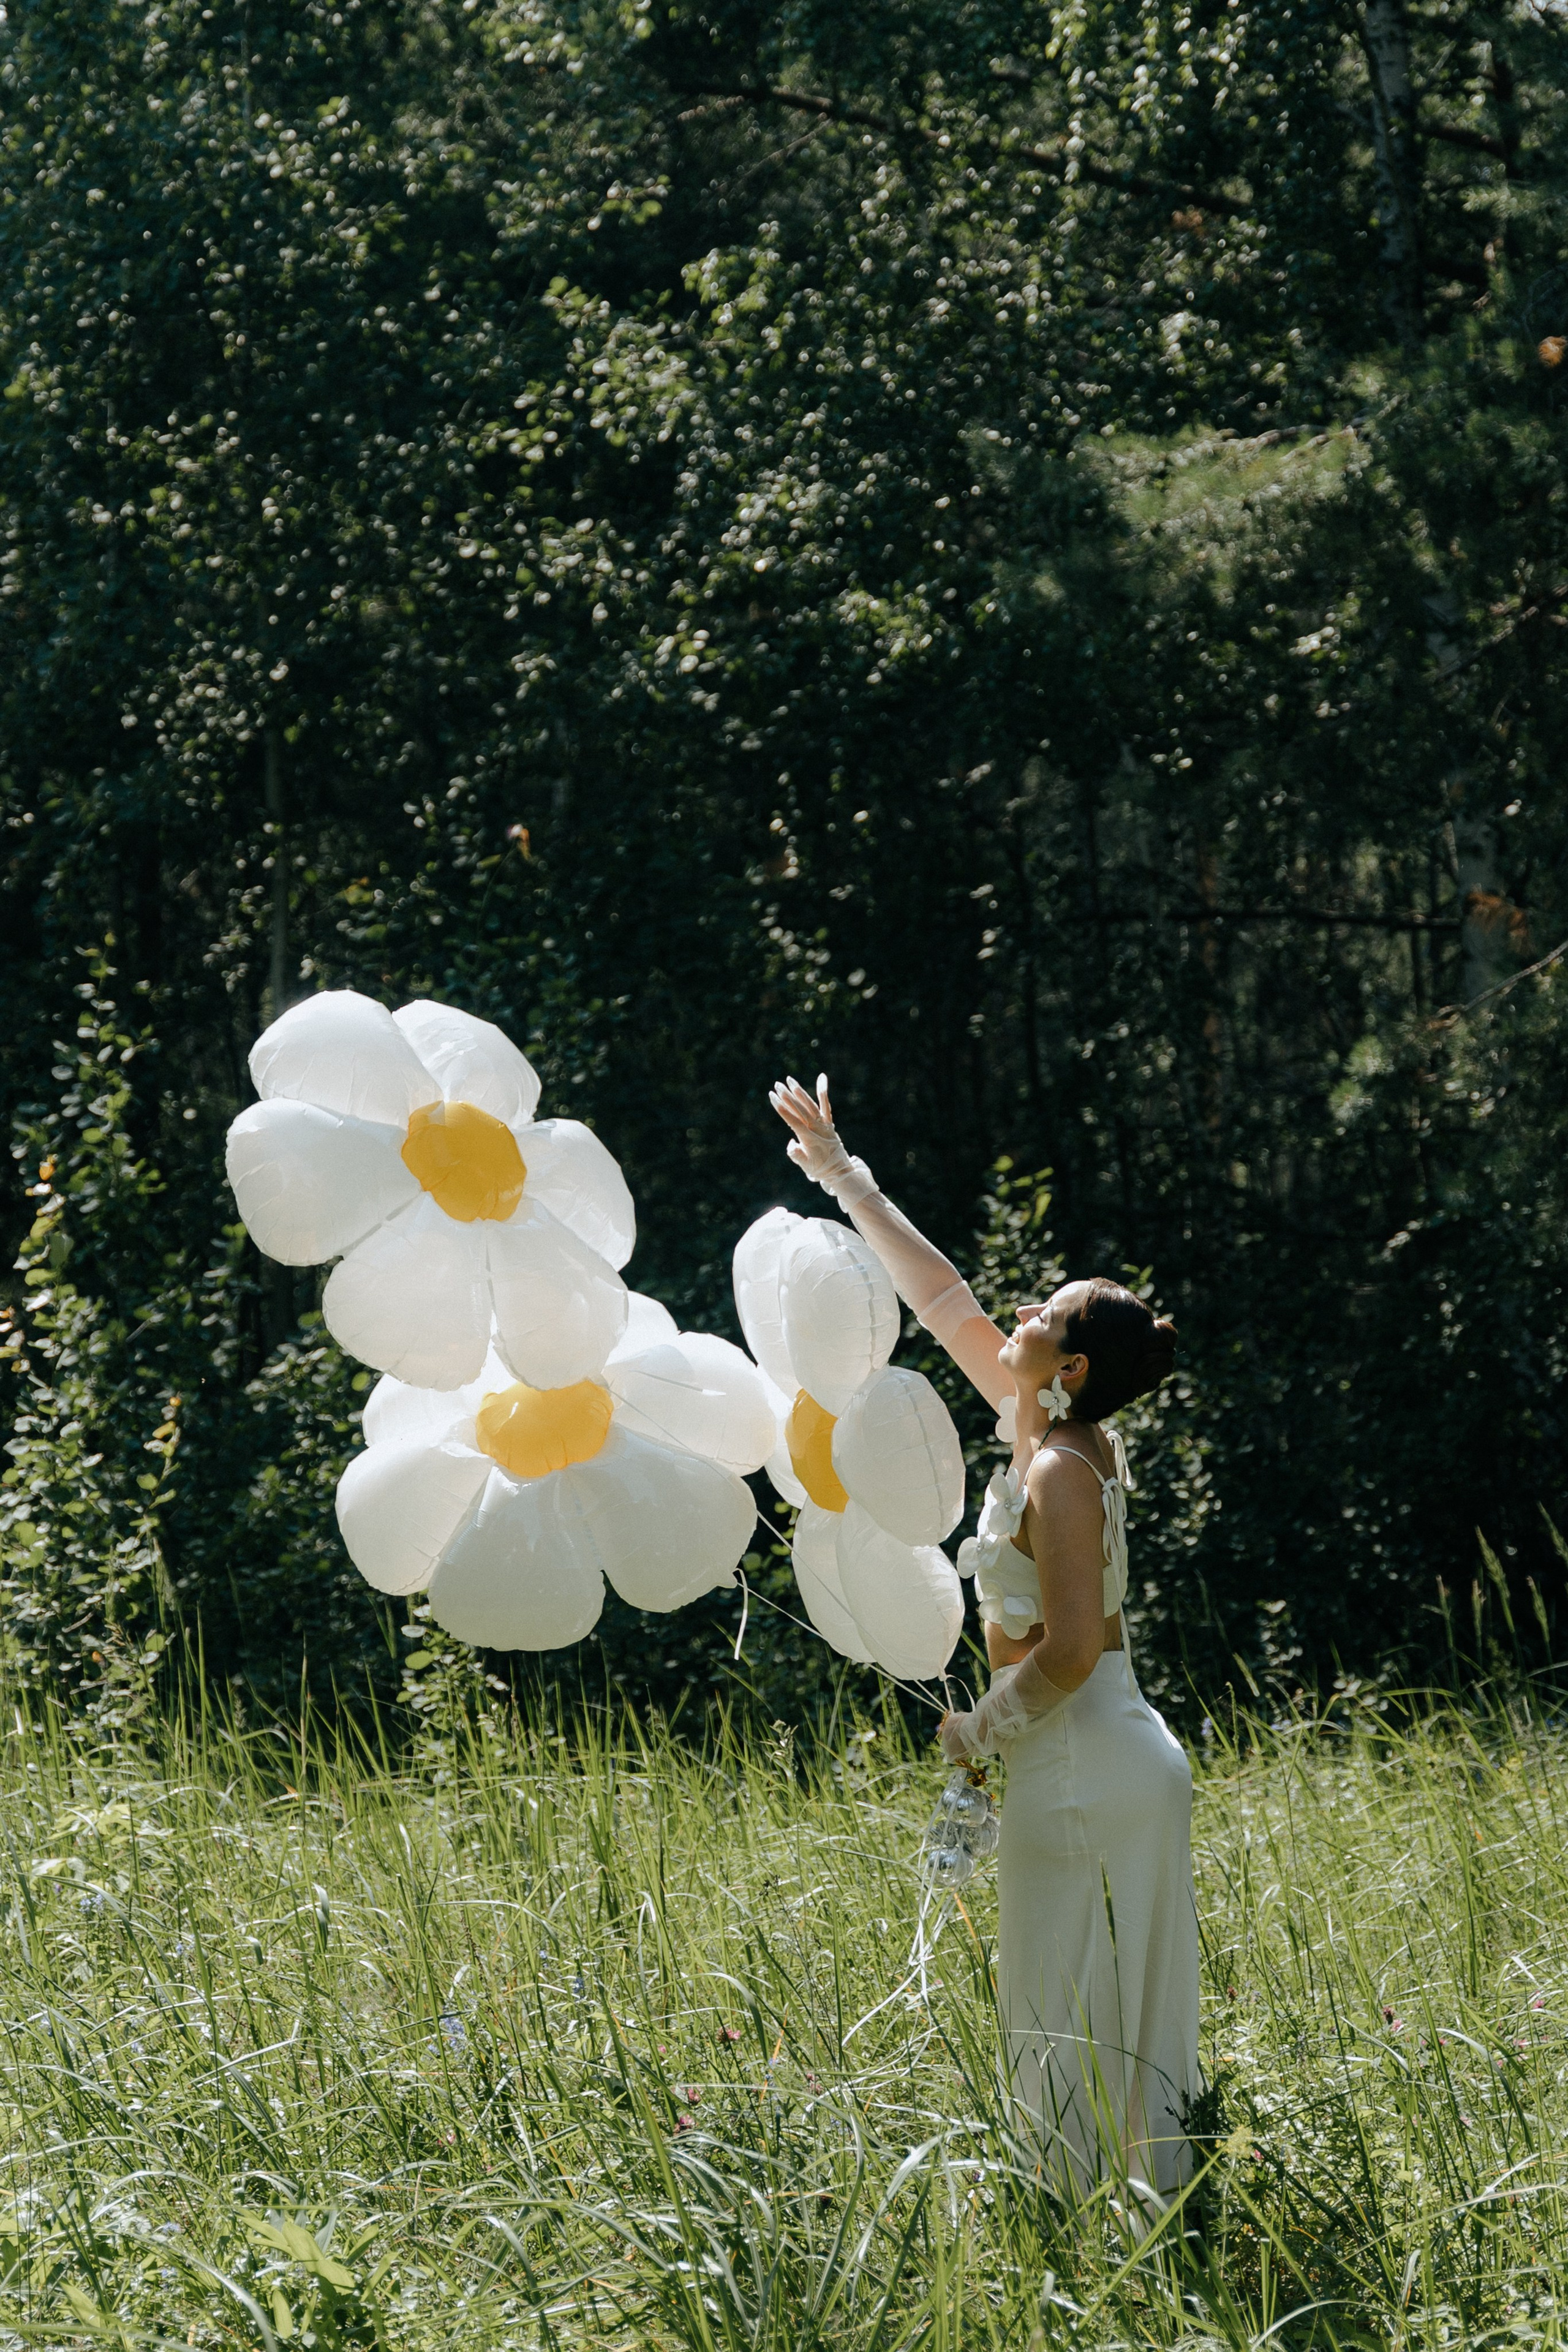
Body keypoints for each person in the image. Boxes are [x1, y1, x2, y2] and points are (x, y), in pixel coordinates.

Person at [769, 1073, 1198, 2205]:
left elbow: (1065, 1651)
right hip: (1105, 1750)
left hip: (1084, 1751)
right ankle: (1141, 2210)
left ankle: (1082, 2215)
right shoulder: (1048, 1429)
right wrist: (841, 1173)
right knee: (1100, 1997)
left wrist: (977, 1728)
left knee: (1057, 1997)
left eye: (1042, 1318)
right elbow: (943, 1296)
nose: (1016, 1317)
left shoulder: (1058, 1467)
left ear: (1071, 1369)